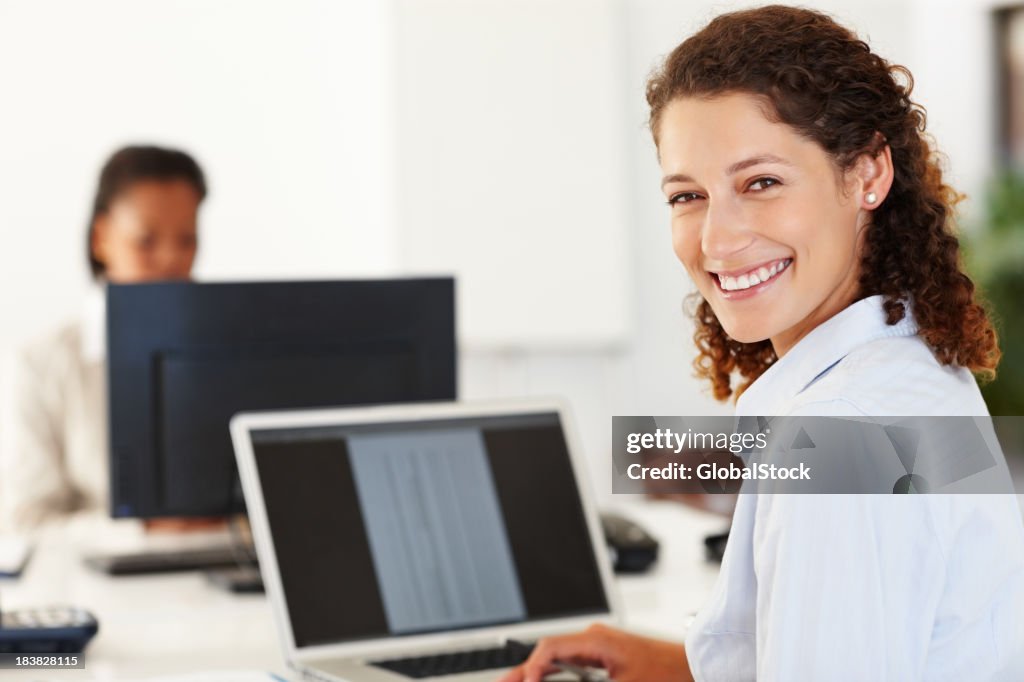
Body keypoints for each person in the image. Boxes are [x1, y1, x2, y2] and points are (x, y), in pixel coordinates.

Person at [502, 5, 1024, 681]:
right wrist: (678, 667)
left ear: (867, 173)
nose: (717, 240)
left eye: (762, 183)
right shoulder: (907, 369)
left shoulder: (844, 430)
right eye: (688, 196)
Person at [0, 145, 206, 531]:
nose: (170, 260)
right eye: (146, 241)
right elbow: (25, 520)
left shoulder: (222, 352)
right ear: (101, 238)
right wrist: (146, 527)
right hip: (101, 584)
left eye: (187, 240)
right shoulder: (41, 364)